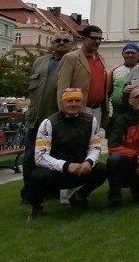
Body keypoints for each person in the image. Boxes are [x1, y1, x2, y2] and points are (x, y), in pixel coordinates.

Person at [28, 88, 108, 219]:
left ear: (82, 103)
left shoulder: (91, 121)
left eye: (77, 100)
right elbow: (40, 157)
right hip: (56, 172)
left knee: (102, 170)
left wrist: (89, 162)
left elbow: (95, 147)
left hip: (80, 170)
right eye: (69, 100)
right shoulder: (48, 123)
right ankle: (36, 207)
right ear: (61, 103)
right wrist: (66, 166)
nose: (74, 104)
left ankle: (79, 196)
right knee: (38, 175)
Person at [21, 31, 74, 203]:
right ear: (52, 43)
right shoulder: (40, 61)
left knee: (55, 157)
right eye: (57, 40)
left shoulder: (72, 61)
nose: (61, 43)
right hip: (35, 117)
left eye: (65, 41)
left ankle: (52, 191)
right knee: (30, 157)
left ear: (71, 44)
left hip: (55, 119)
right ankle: (29, 193)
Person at [56, 25, 109, 128]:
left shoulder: (101, 58)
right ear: (83, 39)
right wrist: (64, 114)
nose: (97, 41)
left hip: (97, 110)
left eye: (100, 38)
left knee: (93, 142)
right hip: (78, 110)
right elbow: (62, 89)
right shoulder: (71, 58)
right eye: (93, 38)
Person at [108, 43, 139, 120]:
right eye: (127, 53)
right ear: (122, 54)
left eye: (133, 53)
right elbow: (108, 90)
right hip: (118, 113)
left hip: (138, 112)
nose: (130, 55)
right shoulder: (115, 70)